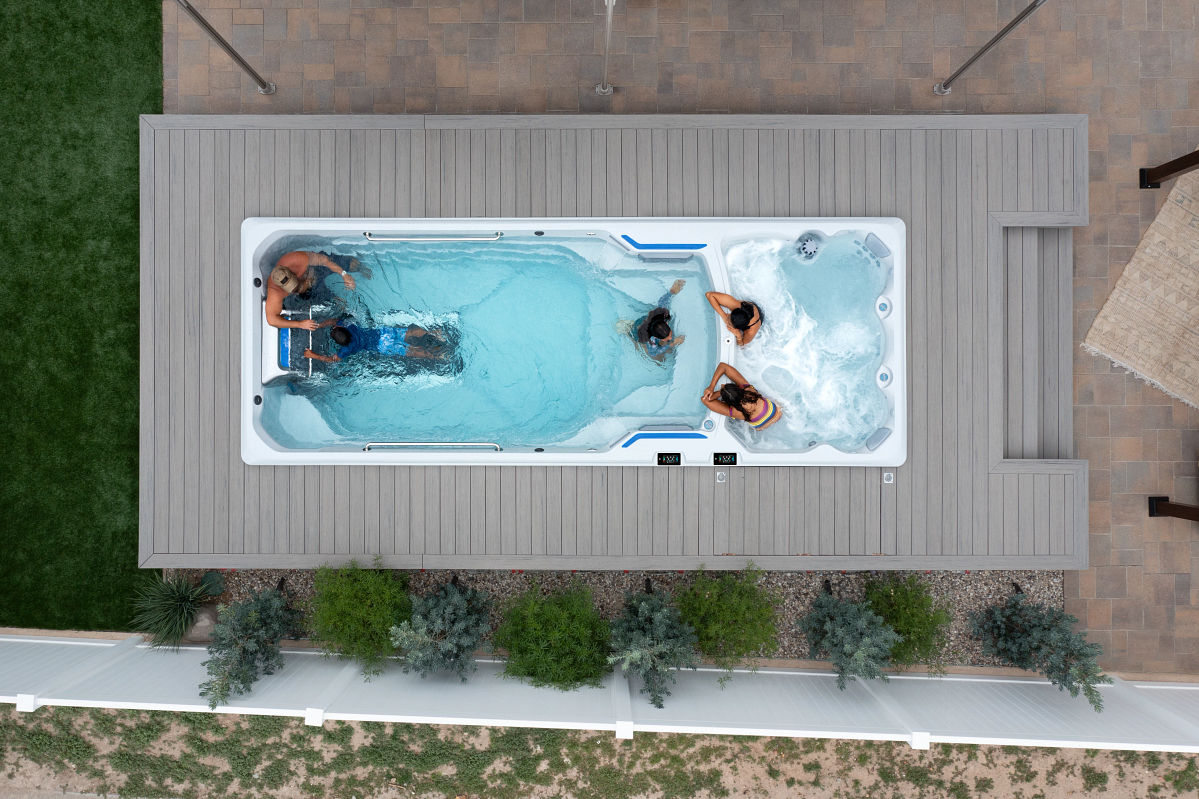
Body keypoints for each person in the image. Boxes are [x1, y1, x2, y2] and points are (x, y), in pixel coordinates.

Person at [265, 251, 359, 330]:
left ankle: (365, 271)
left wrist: (344, 274)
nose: (294, 287)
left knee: (353, 264)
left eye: (293, 283)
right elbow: (272, 320)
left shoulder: (295, 259)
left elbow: (324, 260)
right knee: (340, 304)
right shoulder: (275, 291)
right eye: (290, 288)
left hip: (317, 271)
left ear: (292, 272)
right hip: (309, 291)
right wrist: (300, 324)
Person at [302, 320, 448, 363]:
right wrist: (320, 324)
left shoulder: (347, 349)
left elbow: (332, 359)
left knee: (411, 351)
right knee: (409, 333)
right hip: (383, 333)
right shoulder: (351, 326)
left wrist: (313, 355)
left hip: (382, 345)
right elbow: (335, 321)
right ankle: (436, 333)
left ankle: (437, 355)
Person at [700, 362, 782, 431]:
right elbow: (723, 366)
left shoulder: (736, 412)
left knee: (750, 426)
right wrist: (723, 390)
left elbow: (705, 400)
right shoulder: (749, 390)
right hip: (777, 412)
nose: (722, 384)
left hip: (762, 426)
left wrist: (718, 391)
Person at [632, 279, 687, 361]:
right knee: (660, 358)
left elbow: (662, 301)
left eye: (670, 334)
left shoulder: (663, 314)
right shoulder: (652, 342)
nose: (669, 338)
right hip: (637, 333)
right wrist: (672, 344)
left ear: (666, 324)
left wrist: (671, 292)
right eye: (667, 338)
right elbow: (653, 353)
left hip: (644, 322)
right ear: (655, 337)